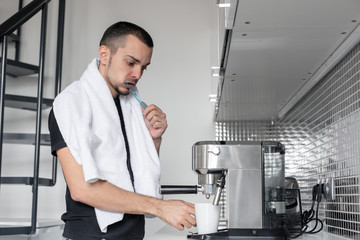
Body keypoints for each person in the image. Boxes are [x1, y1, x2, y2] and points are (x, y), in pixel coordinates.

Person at [48, 21, 196, 240]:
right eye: (131, 63)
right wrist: (160, 208)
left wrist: (153, 140)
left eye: (143, 67)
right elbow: (82, 188)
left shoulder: (131, 107)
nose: (137, 74)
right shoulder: (71, 104)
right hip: (93, 236)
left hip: (132, 233)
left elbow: (135, 172)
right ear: (105, 54)